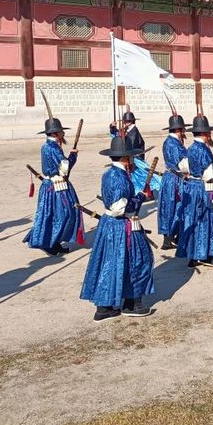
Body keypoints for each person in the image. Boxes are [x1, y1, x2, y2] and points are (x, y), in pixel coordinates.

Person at [80, 136, 154, 321]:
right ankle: (131, 303)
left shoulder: (110, 173)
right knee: (139, 260)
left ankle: (104, 306)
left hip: (110, 226)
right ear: (125, 158)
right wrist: (141, 197)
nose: (132, 160)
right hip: (121, 225)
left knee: (110, 262)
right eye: (130, 156)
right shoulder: (118, 177)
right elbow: (119, 207)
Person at [24, 115, 83, 256]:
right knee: (64, 214)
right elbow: (65, 168)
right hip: (55, 186)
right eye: (61, 132)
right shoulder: (53, 148)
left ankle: (55, 242)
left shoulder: (48, 146)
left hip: (51, 185)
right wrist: (73, 156)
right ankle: (49, 242)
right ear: (56, 133)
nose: (64, 134)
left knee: (54, 214)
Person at [178, 114, 213, 267]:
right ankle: (205, 256)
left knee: (194, 221)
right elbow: (210, 174)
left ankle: (194, 254)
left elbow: (183, 166)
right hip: (205, 190)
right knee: (209, 221)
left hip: (192, 188)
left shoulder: (190, 148)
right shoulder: (204, 151)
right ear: (206, 134)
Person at [109, 108, 162, 194]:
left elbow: (129, 145)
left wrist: (121, 137)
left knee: (141, 175)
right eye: (125, 121)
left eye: (129, 121)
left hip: (134, 157)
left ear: (132, 121)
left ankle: (145, 191)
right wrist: (113, 128)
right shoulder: (127, 130)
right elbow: (118, 138)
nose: (127, 123)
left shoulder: (134, 132)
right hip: (127, 156)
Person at [158, 111, 189, 250]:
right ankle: (170, 237)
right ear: (178, 130)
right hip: (175, 179)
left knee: (170, 207)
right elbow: (182, 165)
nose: (184, 132)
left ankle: (172, 236)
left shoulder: (172, 142)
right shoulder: (173, 144)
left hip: (171, 177)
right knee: (175, 207)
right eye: (182, 129)